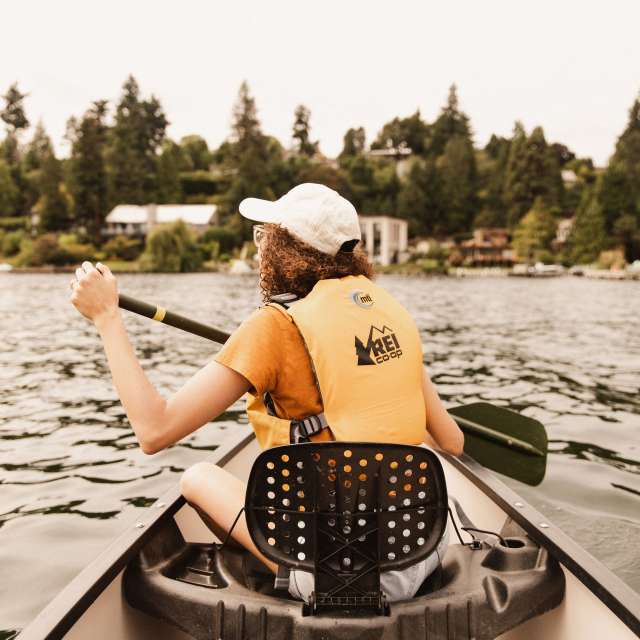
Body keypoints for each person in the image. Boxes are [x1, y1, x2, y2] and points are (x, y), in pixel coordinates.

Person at [69, 182, 464, 602]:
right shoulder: (386, 315)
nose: (260, 250)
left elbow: (154, 430)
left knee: (197, 477)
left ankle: (279, 578)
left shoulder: (273, 327)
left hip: (342, 576)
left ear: (284, 250)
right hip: (425, 548)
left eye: (265, 237)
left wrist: (107, 317)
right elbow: (452, 442)